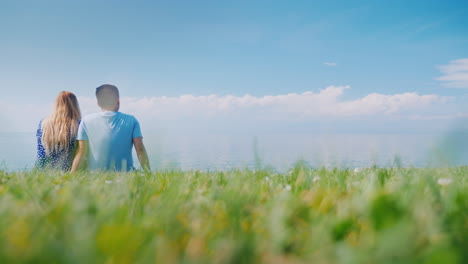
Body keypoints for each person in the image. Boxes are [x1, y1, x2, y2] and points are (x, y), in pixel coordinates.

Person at [70, 84, 150, 172]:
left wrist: (72, 175)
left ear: (98, 103)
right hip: (126, 175)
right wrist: (148, 172)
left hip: (96, 176)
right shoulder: (132, 120)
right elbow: (140, 149)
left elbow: (81, 151)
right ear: (118, 101)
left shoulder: (85, 120)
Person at [36, 91, 81, 171]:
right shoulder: (78, 124)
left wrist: (39, 173)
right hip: (70, 171)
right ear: (75, 105)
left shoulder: (44, 124)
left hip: (46, 171)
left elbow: (41, 154)